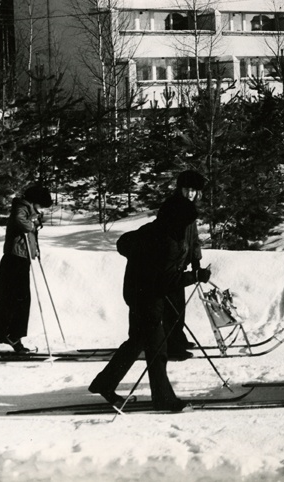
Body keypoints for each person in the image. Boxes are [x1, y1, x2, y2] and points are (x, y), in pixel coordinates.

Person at [88, 170, 211, 411]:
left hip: (135, 292)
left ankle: (104, 383)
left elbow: (124, 243)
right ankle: (163, 399)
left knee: (137, 342)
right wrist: (195, 276)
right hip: (148, 298)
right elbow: (167, 281)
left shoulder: (151, 230)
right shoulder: (169, 244)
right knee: (157, 349)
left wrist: (141, 259)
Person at [0, 183, 53, 356]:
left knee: (23, 300)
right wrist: (34, 221)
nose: (42, 210)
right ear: (33, 201)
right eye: (40, 205)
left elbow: (30, 230)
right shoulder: (21, 207)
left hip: (22, 260)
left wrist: (35, 249)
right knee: (8, 302)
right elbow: (22, 222)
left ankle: (13, 335)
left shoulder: (29, 210)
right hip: (13, 260)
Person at [158, 171, 206, 361]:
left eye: (194, 191)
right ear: (180, 189)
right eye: (187, 190)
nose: (190, 194)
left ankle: (178, 338)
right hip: (167, 265)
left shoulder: (189, 208)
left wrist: (196, 261)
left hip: (179, 265)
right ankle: (172, 347)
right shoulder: (173, 207)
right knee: (172, 308)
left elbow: (193, 239)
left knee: (179, 307)